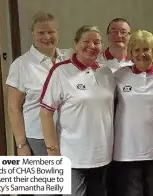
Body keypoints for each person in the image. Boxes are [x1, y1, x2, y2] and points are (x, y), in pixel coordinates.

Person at [40, 25, 115, 196]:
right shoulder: (61, 71)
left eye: (97, 42)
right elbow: (45, 112)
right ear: (75, 44)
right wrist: (52, 151)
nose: (92, 46)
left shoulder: (106, 73)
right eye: (86, 41)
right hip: (73, 156)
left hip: (102, 154)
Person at [110, 30, 153, 196]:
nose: (142, 54)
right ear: (131, 53)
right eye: (137, 50)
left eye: (146, 49)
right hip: (127, 150)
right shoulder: (119, 75)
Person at [7, 13, 67, 160]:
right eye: (41, 33)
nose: (47, 37)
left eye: (51, 32)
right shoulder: (21, 65)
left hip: (69, 135)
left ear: (57, 33)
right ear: (33, 34)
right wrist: (21, 144)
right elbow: (13, 107)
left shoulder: (68, 58)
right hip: (38, 138)